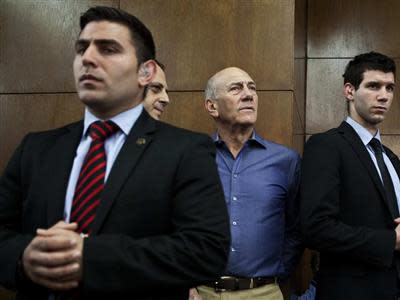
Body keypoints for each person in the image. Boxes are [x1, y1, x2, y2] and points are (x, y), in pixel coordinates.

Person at [0, 6, 230, 300]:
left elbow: (206, 251)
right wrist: (23, 257)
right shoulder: (36, 149)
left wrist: (89, 256)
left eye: (108, 49)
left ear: (145, 72)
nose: (88, 58)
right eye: (81, 48)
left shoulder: (185, 151)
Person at [299, 52, 400, 300]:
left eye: (390, 87)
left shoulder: (390, 158)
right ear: (349, 91)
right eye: (373, 86)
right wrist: (391, 241)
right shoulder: (326, 146)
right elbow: (315, 228)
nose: (384, 95)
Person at [193, 67, 303, 300]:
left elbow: (296, 227)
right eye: (236, 88)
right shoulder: (191, 158)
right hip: (201, 293)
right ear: (212, 106)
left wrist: (277, 274)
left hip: (263, 293)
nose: (248, 94)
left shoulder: (286, 161)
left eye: (252, 88)